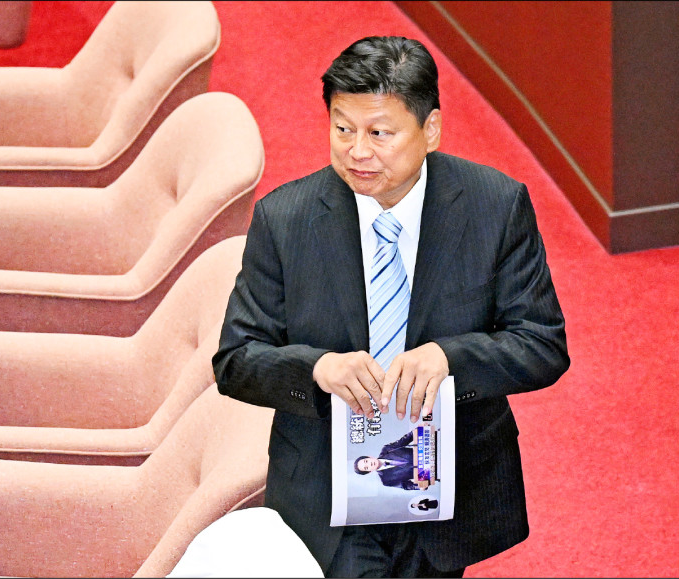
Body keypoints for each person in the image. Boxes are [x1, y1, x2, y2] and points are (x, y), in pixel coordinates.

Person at [213, 35, 569, 578]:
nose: (357, 151)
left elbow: (542, 345)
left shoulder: (494, 206)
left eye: (379, 133)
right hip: (327, 487)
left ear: (431, 130)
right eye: (343, 129)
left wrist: (450, 358)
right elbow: (236, 360)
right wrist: (317, 369)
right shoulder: (284, 220)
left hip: (445, 486)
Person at [354, 430, 427, 490]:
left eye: (366, 461)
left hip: (425, 452)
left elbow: (405, 440)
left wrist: (419, 430)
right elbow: (406, 485)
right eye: (366, 467)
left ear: (369, 457)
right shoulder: (386, 481)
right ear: (369, 471)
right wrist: (420, 487)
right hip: (426, 472)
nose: (370, 464)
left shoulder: (387, 449)